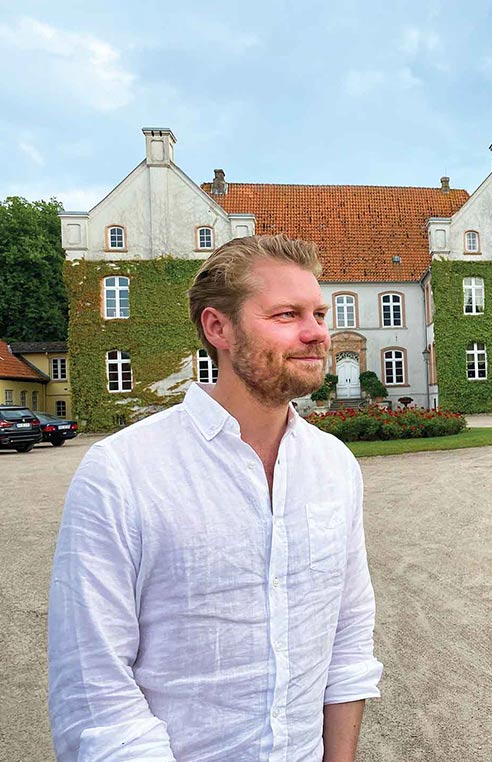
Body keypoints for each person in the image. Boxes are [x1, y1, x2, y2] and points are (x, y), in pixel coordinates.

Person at [48, 235, 383, 761]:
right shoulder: (123, 472)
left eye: (318, 312)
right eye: (286, 314)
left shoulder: (334, 465)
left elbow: (348, 634)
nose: (317, 332)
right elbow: (94, 693)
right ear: (217, 327)